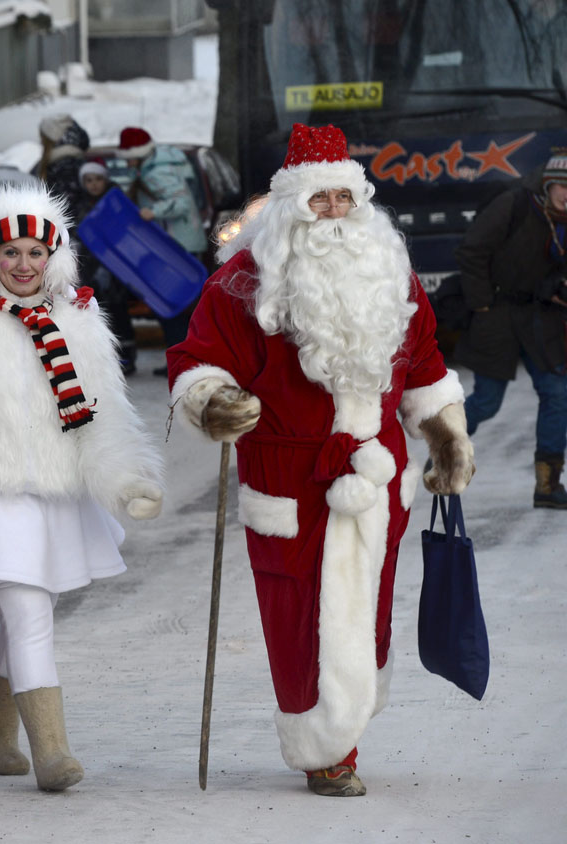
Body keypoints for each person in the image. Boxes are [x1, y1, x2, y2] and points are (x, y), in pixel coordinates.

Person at [166, 123, 475, 797]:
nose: (333, 212)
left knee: (367, 609)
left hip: (376, 477)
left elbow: (423, 362)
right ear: (290, 206)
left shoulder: (391, 273)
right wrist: (213, 399)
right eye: (319, 201)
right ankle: (324, 750)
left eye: (343, 199)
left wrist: (446, 434)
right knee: (300, 616)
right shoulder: (244, 281)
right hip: (290, 478)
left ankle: (346, 734)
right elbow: (198, 360)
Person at [0, 183, 164, 792]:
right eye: (9, 252)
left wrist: (126, 480)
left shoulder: (79, 315)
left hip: (56, 492)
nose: (22, 265)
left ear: (55, 256)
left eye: (35, 253)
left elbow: (102, 408)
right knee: (29, 612)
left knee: (26, 609)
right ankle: (52, 751)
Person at [454, 150, 567, 508]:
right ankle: (447, 455)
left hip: (541, 318)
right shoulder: (514, 204)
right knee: (487, 401)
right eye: (562, 185)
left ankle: (548, 486)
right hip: (497, 315)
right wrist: (482, 303)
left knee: (557, 393)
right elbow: (471, 250)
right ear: (548, 185)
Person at [116, 127, 207, 363]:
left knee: (173, 306)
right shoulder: (161, 166)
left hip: (176, 244)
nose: (128, 164)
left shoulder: (156, 172)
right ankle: (179, 358)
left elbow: (182, 203)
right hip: (182, 241)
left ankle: (182, 359)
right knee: (178, 305)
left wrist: (152, 211)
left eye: (129, 158)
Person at [73, 158, 137, 374]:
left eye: (98, 179)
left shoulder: (115, 200)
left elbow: (124, 228)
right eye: (89, 180)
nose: (93, 184)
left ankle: (126, 356)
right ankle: (102, 358)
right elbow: (77, 230)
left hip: (115, 264)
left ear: (105, 179)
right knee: (96, 311)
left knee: (118, 311)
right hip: (89, 265)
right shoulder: (79, 203)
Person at [35, 114, 90, 208]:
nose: (41, 142)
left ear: (53, 139)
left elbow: (67, 209)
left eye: (43, 138)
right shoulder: (63, 163)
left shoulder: (65, 167)